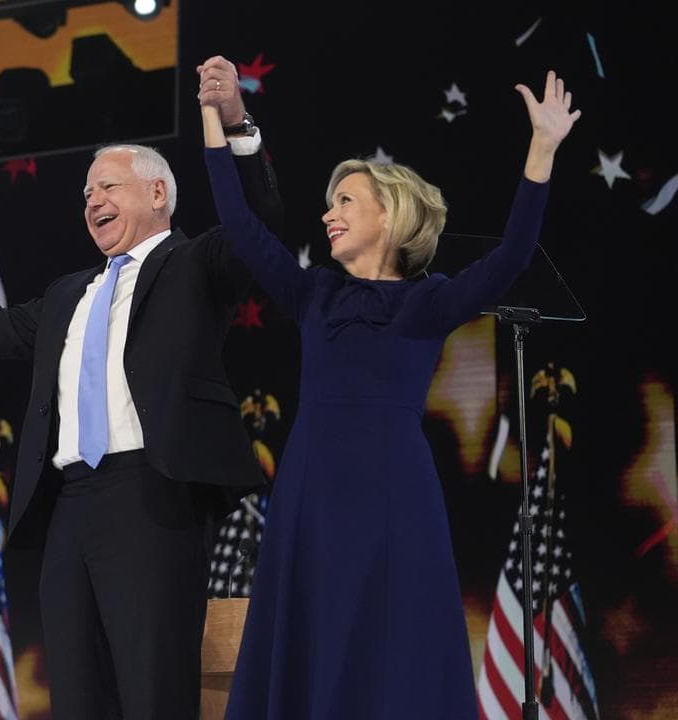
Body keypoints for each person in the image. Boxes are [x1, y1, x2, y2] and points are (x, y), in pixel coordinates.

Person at [0, 55, 282, 719]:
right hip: (69, 503)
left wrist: (236, 123)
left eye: (107, 187)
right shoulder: (68, 293)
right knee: (77, 691)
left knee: (152, 686)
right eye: (85, 195)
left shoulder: (194, 266)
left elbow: (261, 225)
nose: (92, 202)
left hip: (153, 496)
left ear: (158, 194)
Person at [199, 70, 580, 719]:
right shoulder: (315, 293)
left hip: (393, 498)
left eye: (345, 200)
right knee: (310, 634)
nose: (328, 214)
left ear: (389, 214)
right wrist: (213, 115)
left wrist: (542, 149)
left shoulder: (429, 301)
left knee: (389, 645)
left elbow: (514, 255)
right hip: (308, 495)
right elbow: (239, 225)